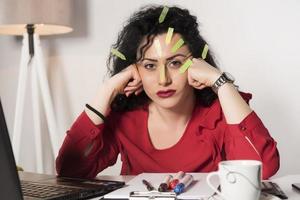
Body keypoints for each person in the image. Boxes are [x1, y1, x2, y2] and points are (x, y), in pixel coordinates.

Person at [56, 5, 279, 179]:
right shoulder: (124, 118)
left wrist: (219, 81)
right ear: (134, 70)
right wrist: (107, 89)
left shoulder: (221, 112)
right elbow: (70, 169)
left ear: (196, 64)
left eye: (175, 63)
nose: (164, 80)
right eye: (150, 66)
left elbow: (263, 169)